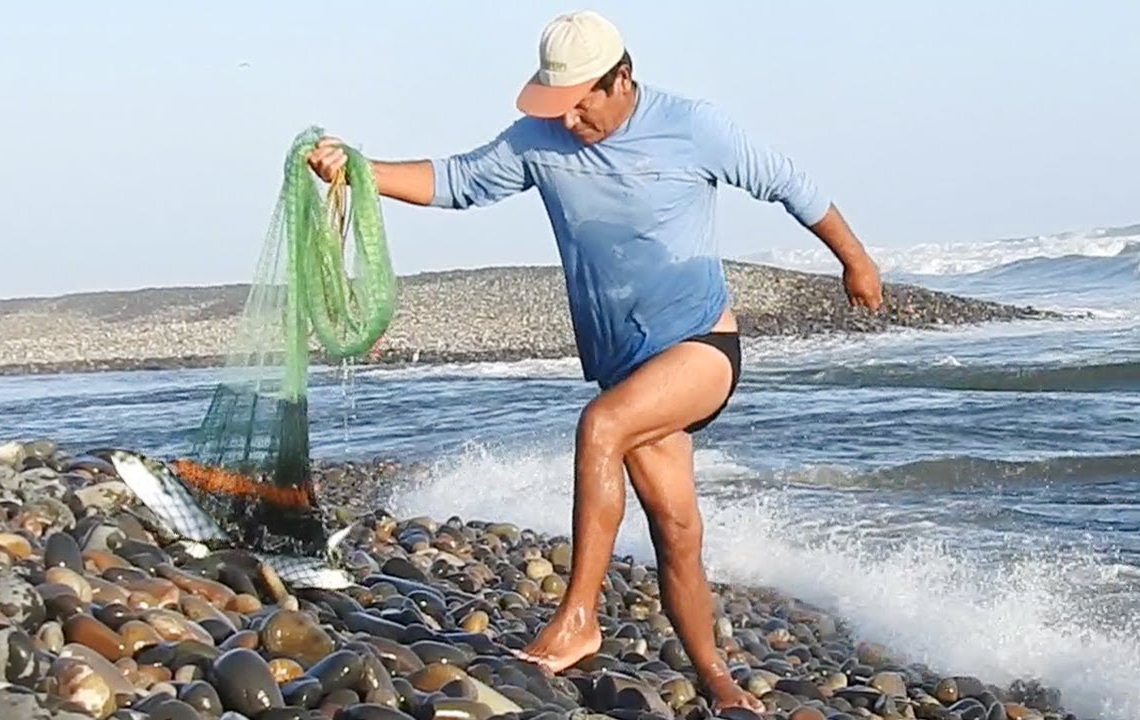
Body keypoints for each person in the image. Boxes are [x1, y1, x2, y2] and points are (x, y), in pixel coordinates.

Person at [307, 9, 883, 712]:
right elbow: (455, 181)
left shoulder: (694, 127)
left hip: (701, 346)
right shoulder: (537, 141)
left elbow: (792, 185)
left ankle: (579, 616)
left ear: (622, 79)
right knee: (677, 531)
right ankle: (723, 685)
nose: (571, 118)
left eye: (584, 101)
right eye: (560, 103)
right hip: (625, 363)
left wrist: (856, 262)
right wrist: (358, 171)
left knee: (601, 428)